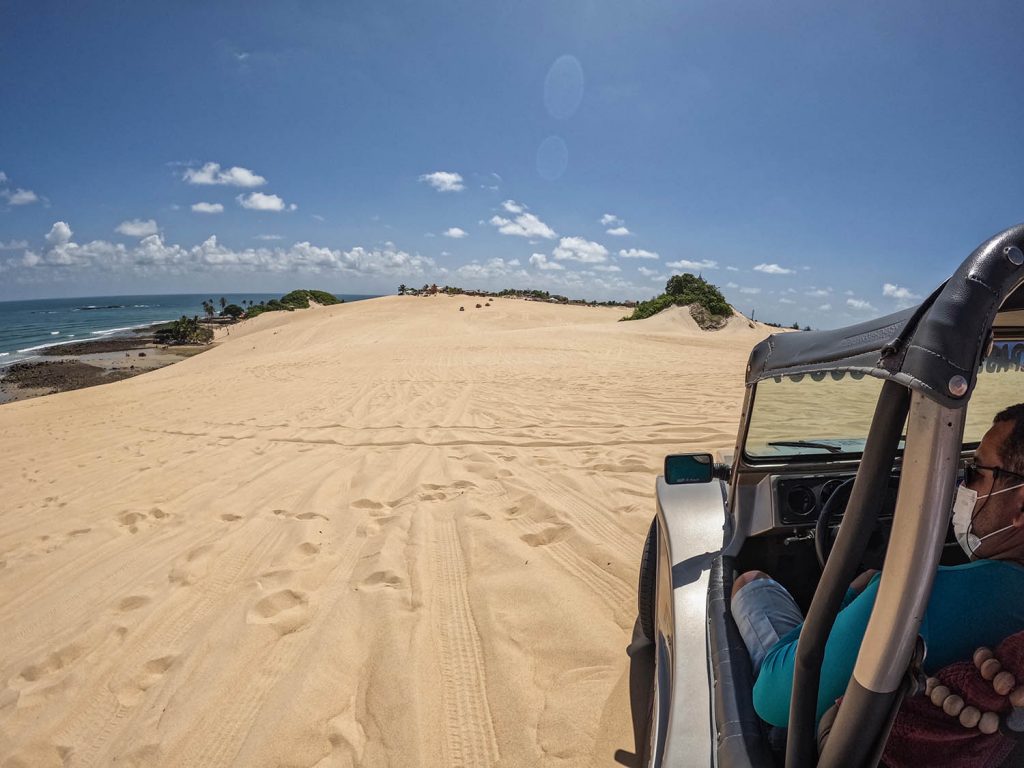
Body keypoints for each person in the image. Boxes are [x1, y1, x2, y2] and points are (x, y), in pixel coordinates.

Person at [731, 404, 1024, 728]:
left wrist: (851, 595)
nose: (961, 487)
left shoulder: (912, 601)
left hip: (803, 726)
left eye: (974, 474)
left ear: (1021, 507)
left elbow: (772, 701)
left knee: (751, 583)